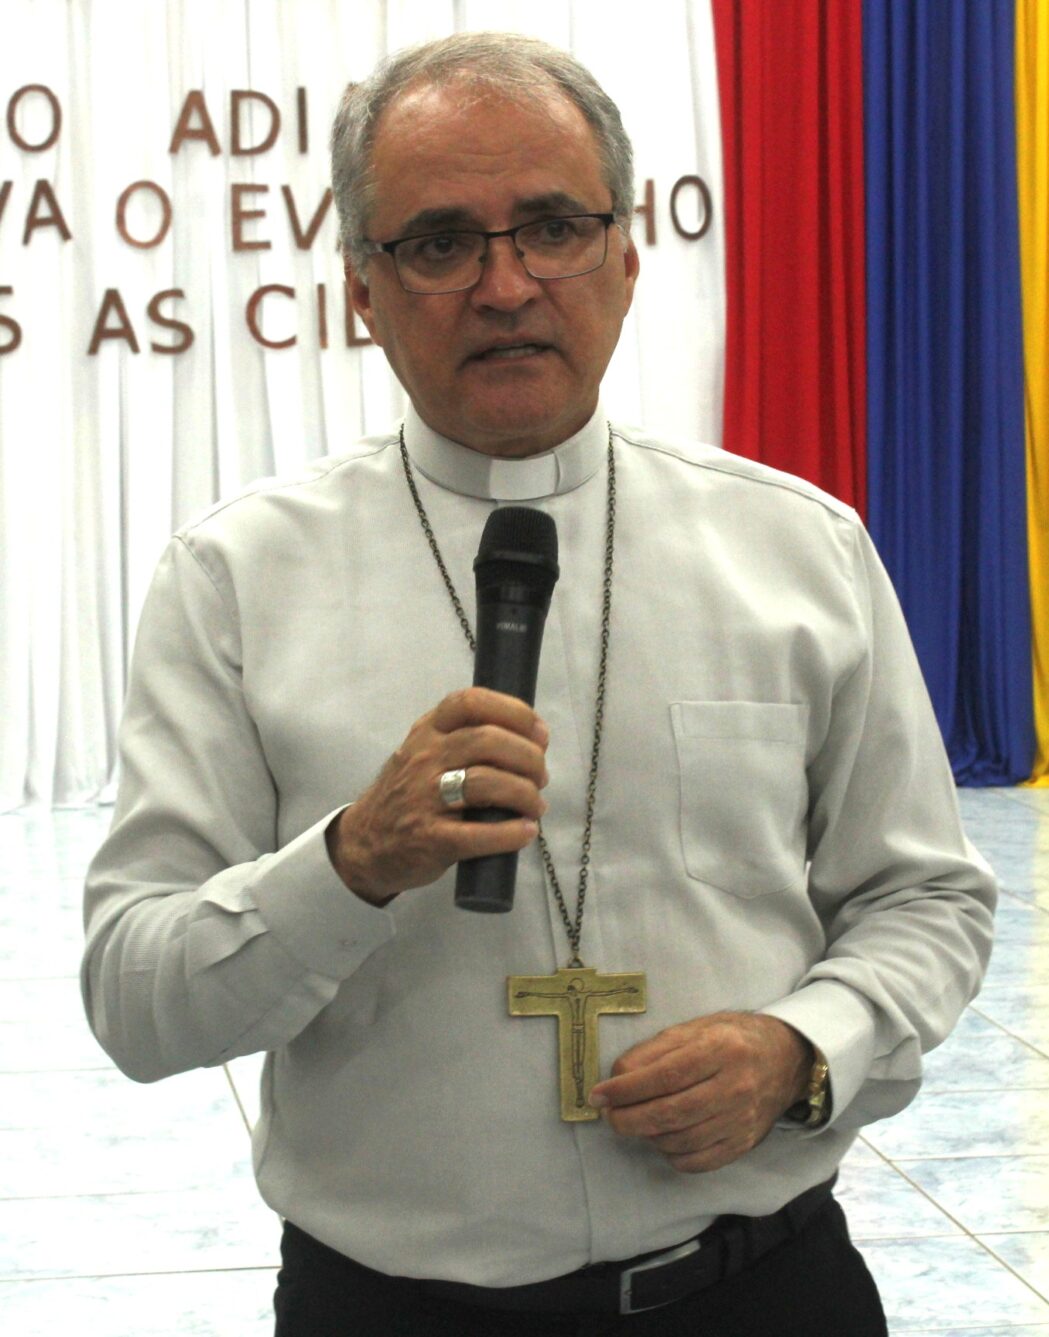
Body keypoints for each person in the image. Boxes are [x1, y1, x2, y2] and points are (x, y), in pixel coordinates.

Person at [81, 31, 996, 1336]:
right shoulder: (235, 582)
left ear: (627, 259)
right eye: (440, 242)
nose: (505, 284)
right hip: (395, 1310)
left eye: (553, 226)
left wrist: (805, 1048)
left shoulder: (800, 551)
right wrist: (347, 860)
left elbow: (927, 899)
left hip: (763, 1288)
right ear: (361, 289)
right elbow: (134, 993)